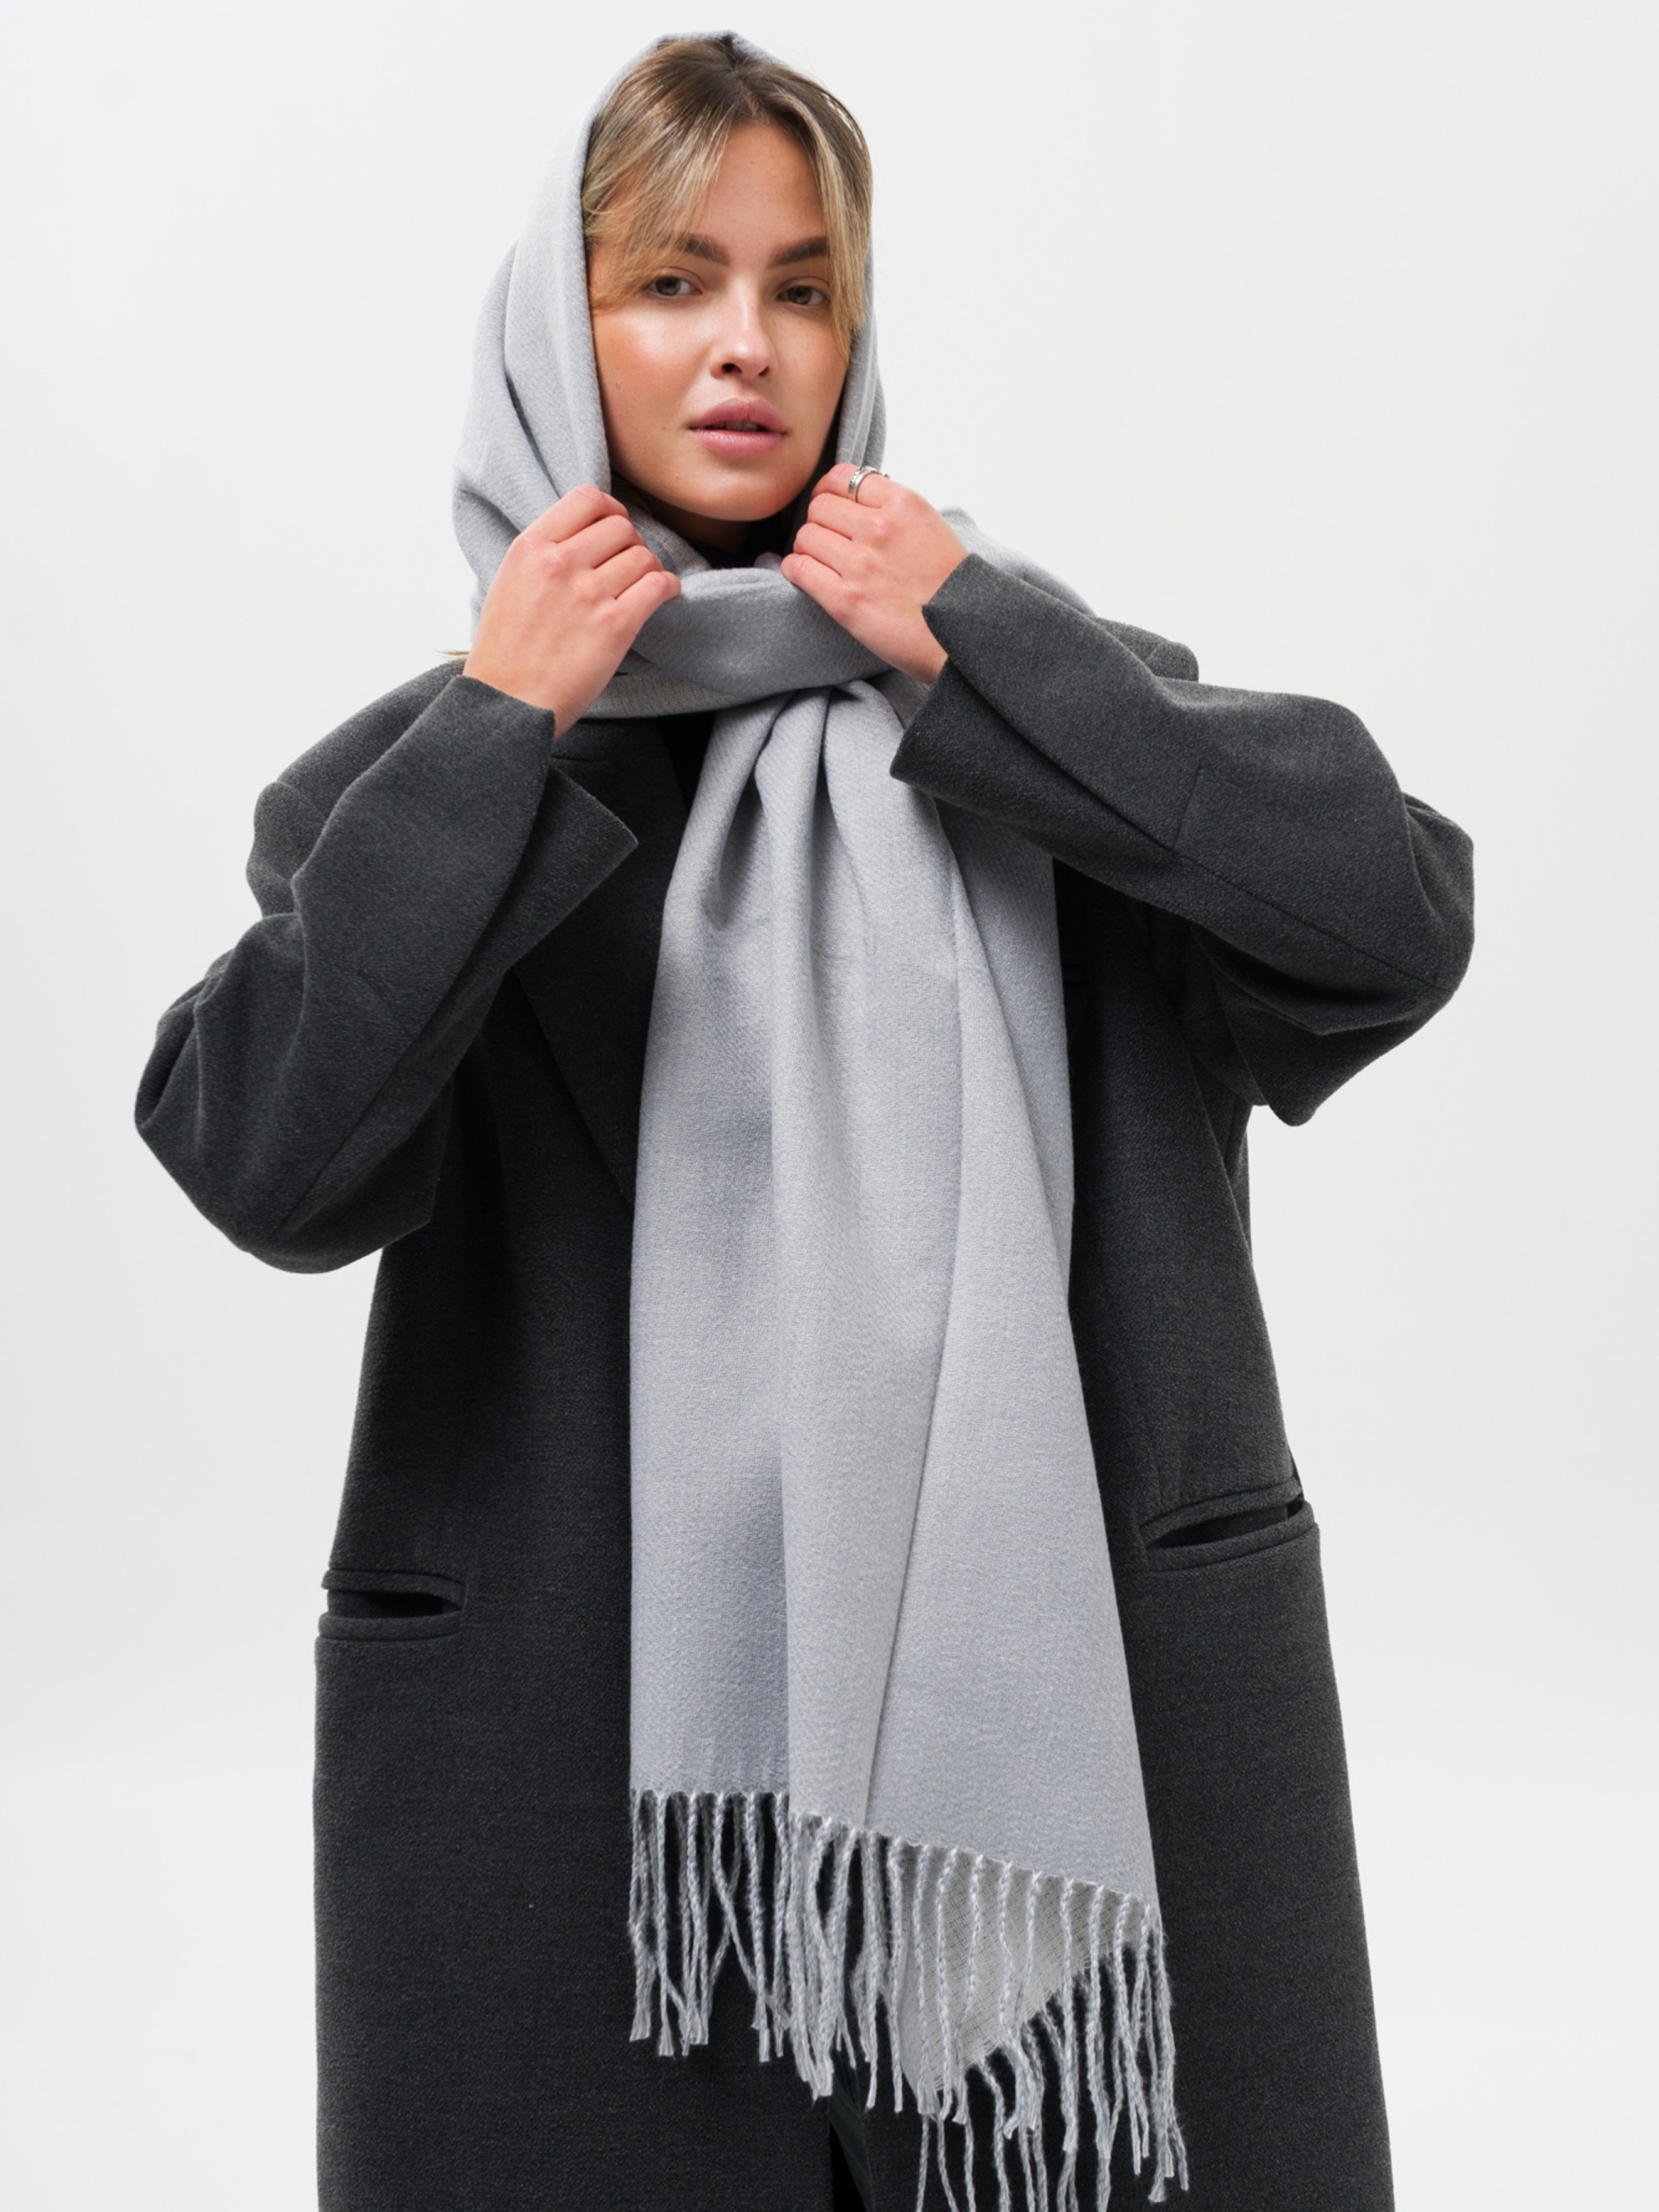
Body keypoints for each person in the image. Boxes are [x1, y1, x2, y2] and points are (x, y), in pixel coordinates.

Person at [136, 33, 1473, 2212]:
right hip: (577, 1781)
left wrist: (994, 655)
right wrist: (499, 725)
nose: (744, 343)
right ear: (555, 329)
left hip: (1080, 1765)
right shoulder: (421, 782)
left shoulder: (1030, 701)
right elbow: (264, 1163)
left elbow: (1389, 924)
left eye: (802, 285)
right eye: (670, 282)